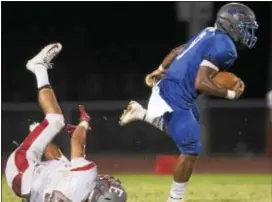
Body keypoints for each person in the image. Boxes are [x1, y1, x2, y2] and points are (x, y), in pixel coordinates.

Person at [119, 3, 258, 202]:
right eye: (245, 25)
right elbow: (201, 82)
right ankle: (175, 199)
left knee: (188, 134)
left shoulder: (209, 32)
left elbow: (177, 50)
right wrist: (229, 94)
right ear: (231, 24)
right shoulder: (226, 47)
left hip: (172, 87)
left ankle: (140, 113)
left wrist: (160, 68)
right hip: (176, 95)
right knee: (191, 150)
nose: (247, 31)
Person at [5, 43, 127, 202]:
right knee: (61, 163)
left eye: (107, 184)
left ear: (100, 192)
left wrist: (84, 123)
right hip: (26, 186)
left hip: (22, 168)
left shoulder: (86, 176)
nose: (107, 179)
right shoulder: (77, 189)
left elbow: (77, 141)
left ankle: (38, 67)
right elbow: (55, 158)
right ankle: (36, 130)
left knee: (55, 120)